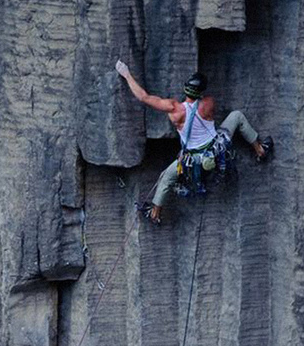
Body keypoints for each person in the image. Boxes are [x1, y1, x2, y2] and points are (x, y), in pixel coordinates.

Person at [115, 61, 274, 224]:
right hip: (215, 149)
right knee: (237, 116)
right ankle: (260, 149)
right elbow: (204, 105)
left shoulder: (174, 109)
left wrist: (126, 74)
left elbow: (144, 97)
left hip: (192, 160)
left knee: (166, 177)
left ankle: (155, 213)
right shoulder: (209, 103)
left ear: (185, 89)